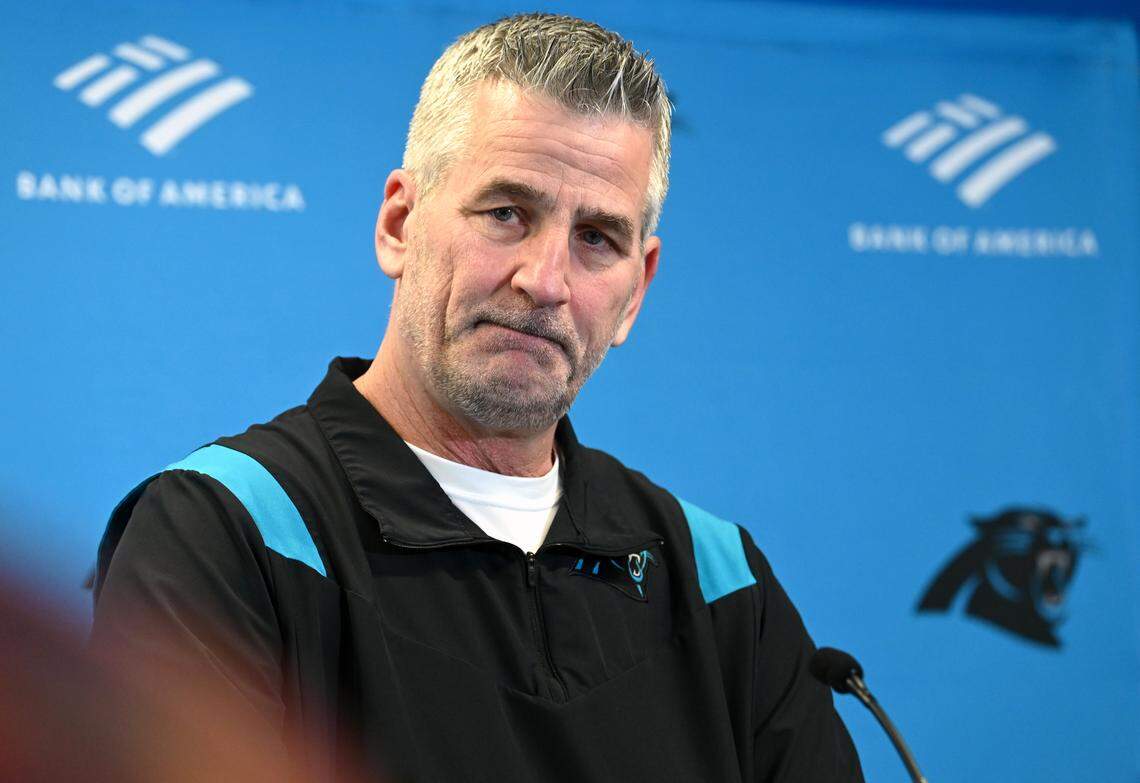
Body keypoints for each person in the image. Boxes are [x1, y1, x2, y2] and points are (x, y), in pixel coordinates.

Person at [92, 13, 864, 782]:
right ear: (400, 223)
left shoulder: (718, 576)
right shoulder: (228, 533)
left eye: (597, 238)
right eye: (506, 214)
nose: (546, 281)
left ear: (636, 291)